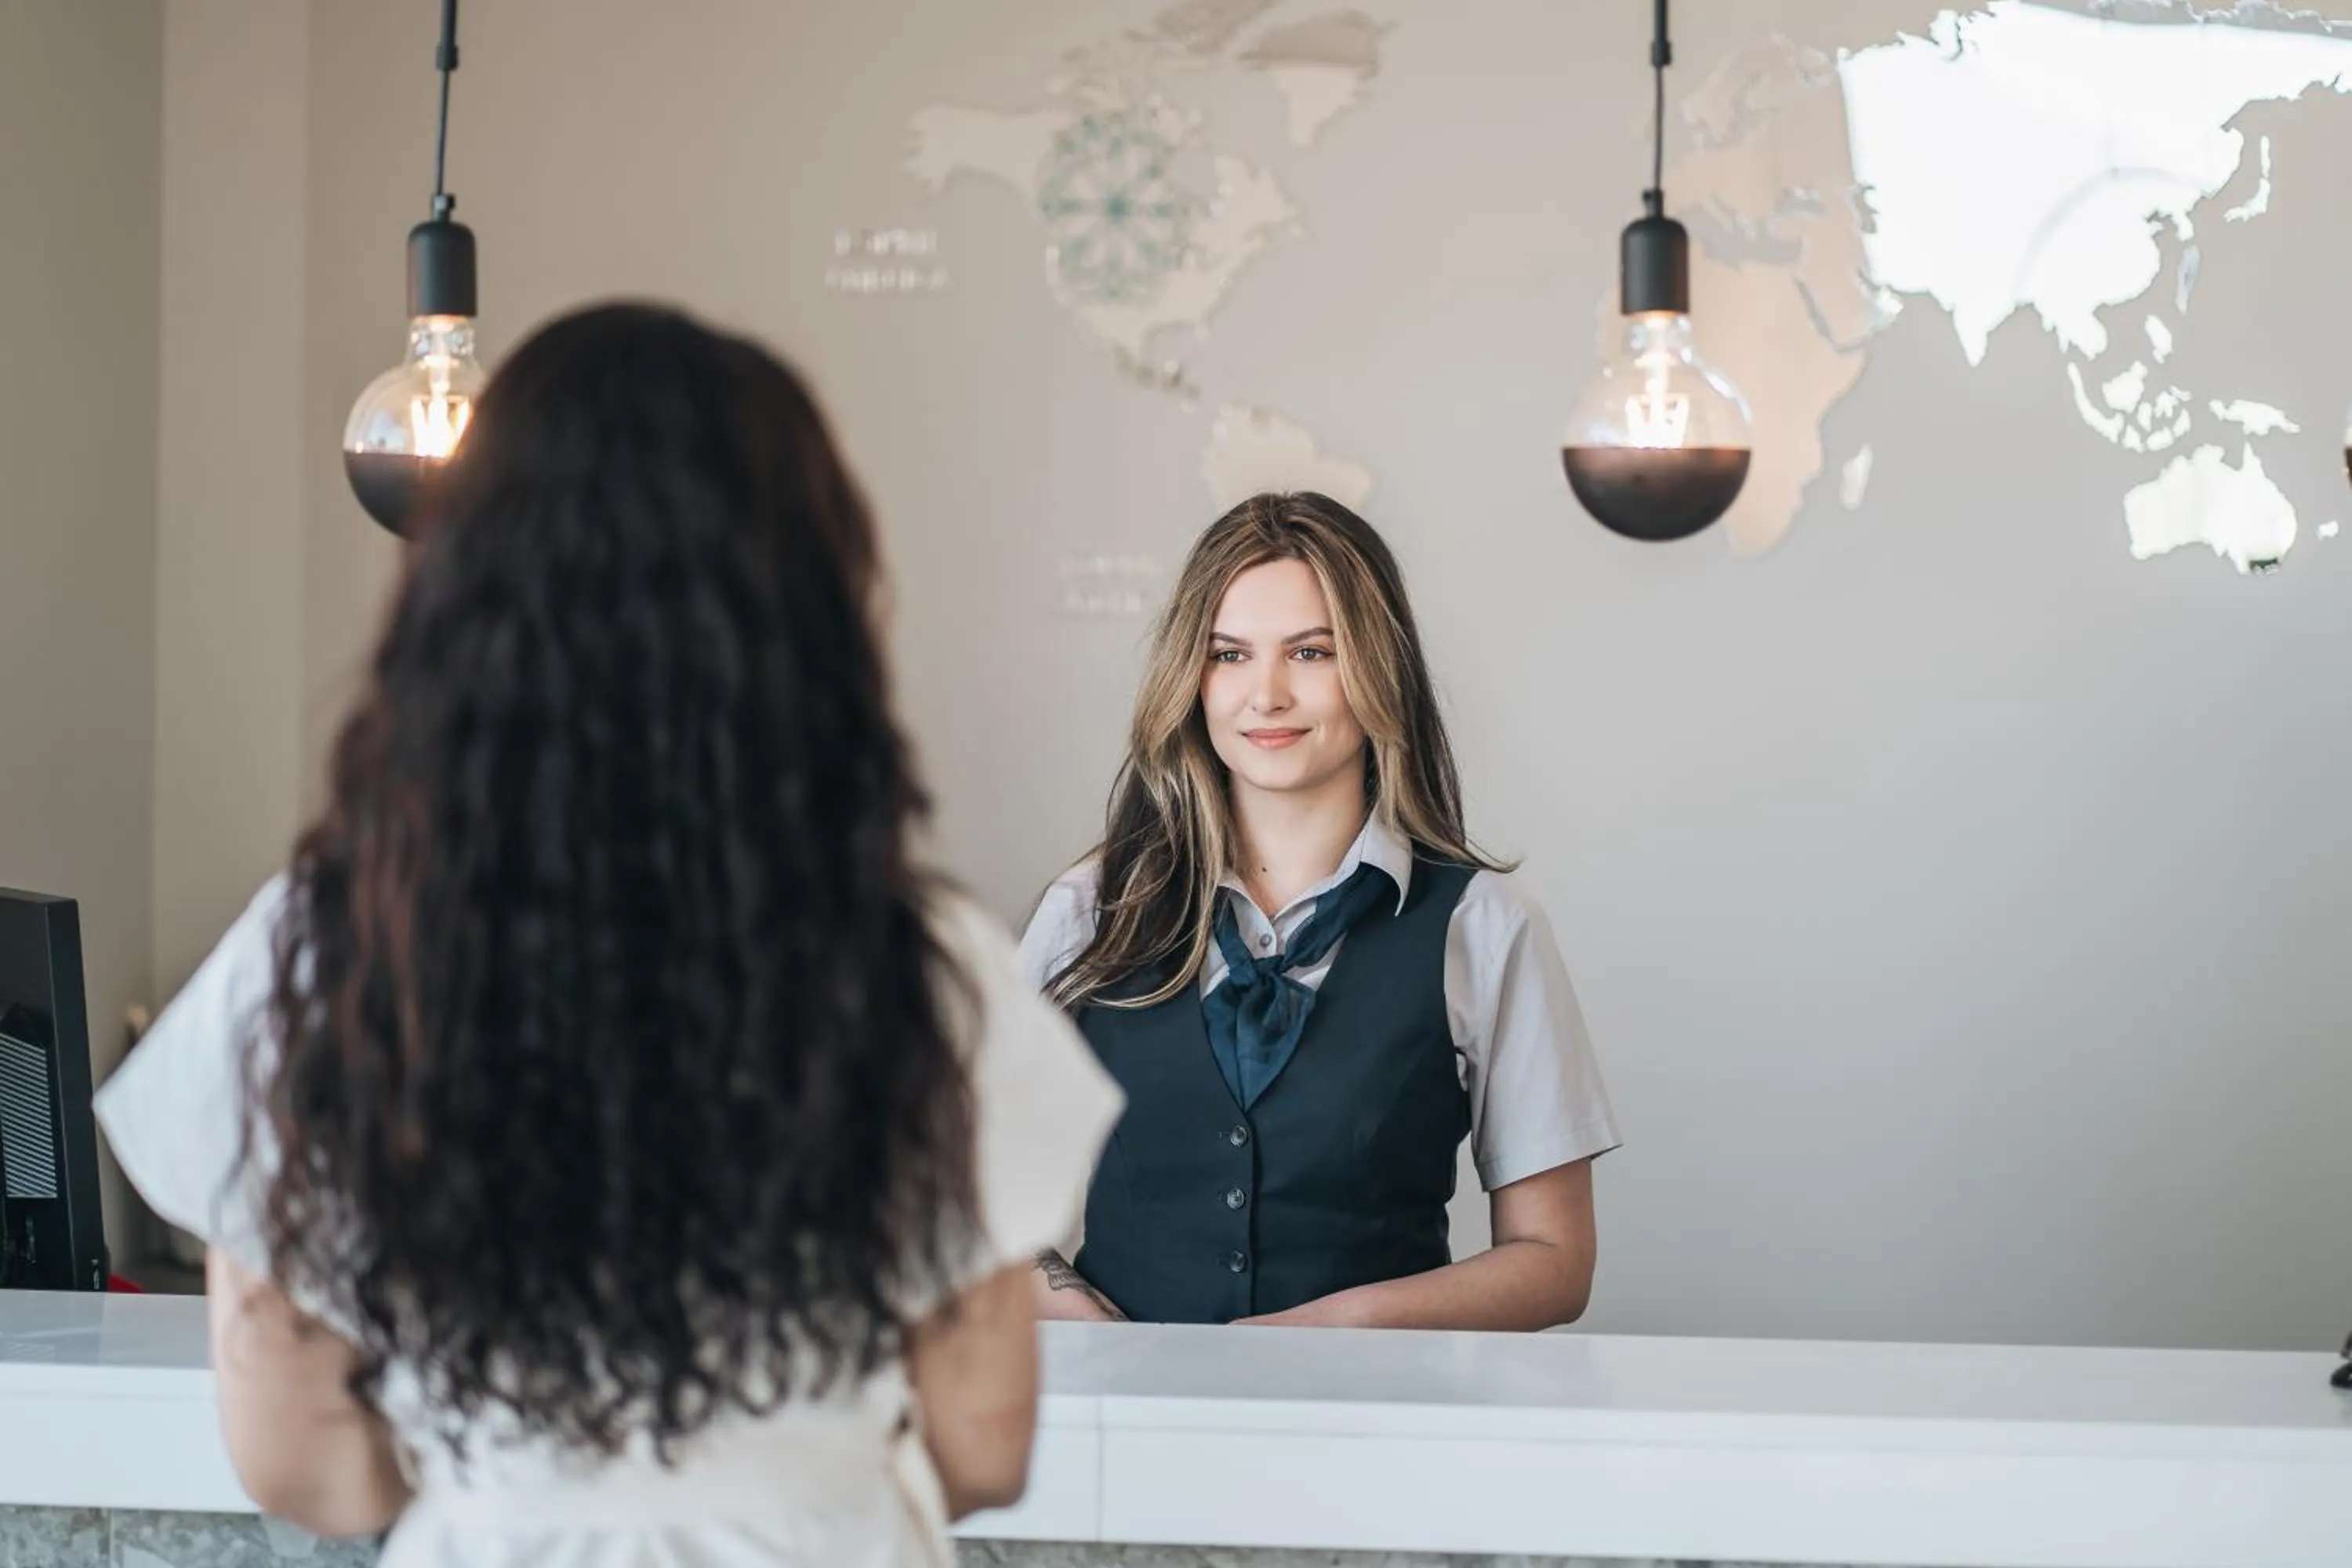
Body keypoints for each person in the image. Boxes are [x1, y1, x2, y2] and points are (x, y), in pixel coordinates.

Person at [94, 302, 1120, 1566]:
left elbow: (298, 1455)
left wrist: (506, 1486)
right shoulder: (925, 967)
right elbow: (982, 1438)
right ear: (804, 605)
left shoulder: (321, 952)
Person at [1018, 492, 1617, 1330]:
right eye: (1228, 654)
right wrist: (1083, 1317)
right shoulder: (1089, 910)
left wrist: (1343, 1326)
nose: (1265, 695)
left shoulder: (1484, 925)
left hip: (1379, 1434)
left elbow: (1555, 1260)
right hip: (1128, 1431)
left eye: (1310, 652)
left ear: (1377, 668)